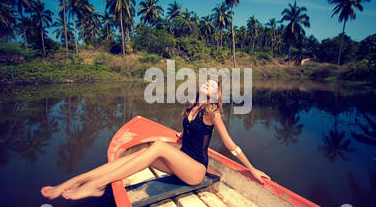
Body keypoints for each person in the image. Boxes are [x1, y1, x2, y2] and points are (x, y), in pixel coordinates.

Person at [41, 80, 270, 200]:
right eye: (206, 82)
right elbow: (183, 137)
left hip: (196, 170)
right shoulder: (192, 106)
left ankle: (98, 185)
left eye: (212, 86)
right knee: (142, 152)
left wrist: (252, 169)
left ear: (215, 94)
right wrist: (163, 138)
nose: (207, 85)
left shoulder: (212, 112)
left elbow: (230, 144)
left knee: (157, 147)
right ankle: (71, 182)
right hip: (181, 160)